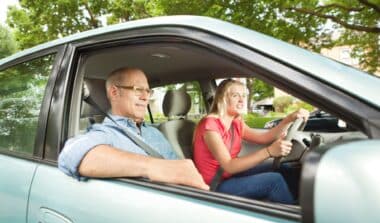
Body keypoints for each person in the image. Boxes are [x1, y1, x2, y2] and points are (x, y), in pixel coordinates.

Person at [58, 67, 209, 190]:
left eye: (148, 91)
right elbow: (70, 154)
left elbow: (177, 169)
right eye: (138, 90)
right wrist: (152, 166)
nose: (145, 97)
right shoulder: (106, 133)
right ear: (115, 92)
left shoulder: (155, 132)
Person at [193, 79, 309, 204]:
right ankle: (293, 216)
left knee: (284, 168)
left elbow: (264, 138)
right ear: (223, 98)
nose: (242, 100)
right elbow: (229, 166)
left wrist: (289, 119)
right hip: (217, 184)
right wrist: (269, 151)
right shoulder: (210, 125)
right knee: (274, 181)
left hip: (231, 175)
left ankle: (298, 203)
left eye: (243, 95)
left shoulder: (236, 121)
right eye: (235, 95)